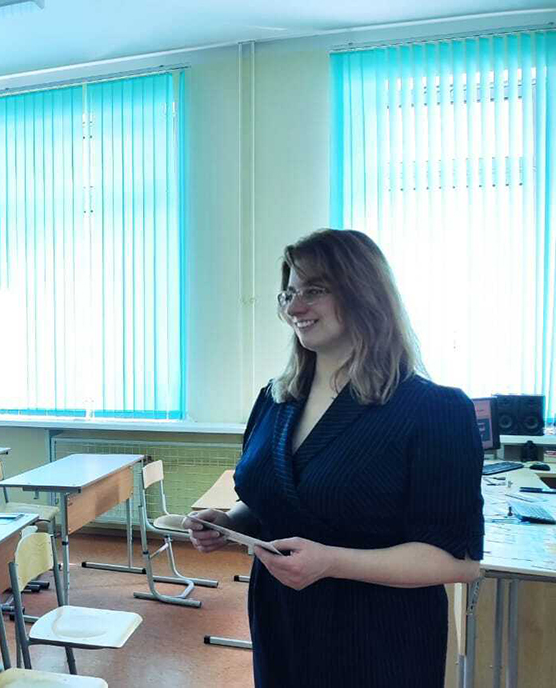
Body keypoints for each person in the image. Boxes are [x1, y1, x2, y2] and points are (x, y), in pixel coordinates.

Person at [186, 230, 484, 688]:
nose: (295, 307)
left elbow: (456, 560)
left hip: (378, 637)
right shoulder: (275, 399)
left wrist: (331, 562)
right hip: (281, 622)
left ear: (364, 293)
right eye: (289, 293)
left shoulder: (434, 410)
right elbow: (285, 498)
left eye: (314, 290)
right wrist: (232, 522)